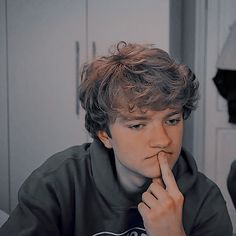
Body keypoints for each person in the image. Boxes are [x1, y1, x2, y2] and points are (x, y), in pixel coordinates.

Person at [0, 42, 233, 236]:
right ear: (104, 134)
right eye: (137, 125)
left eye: (172, 120)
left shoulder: (205, 199)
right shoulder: (56, 184)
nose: (162, 140)